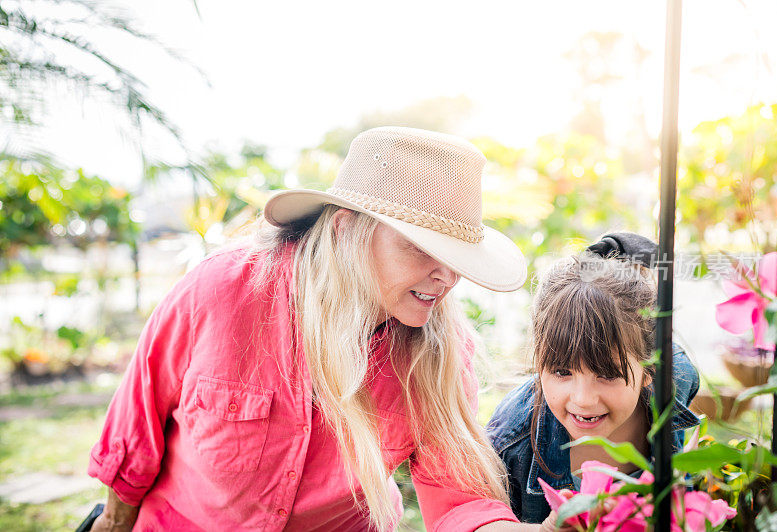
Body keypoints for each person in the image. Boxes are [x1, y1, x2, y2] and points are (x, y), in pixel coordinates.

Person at [87, 126, 540, 531]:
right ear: (346, 230)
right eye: (421, 248)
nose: (448, 277)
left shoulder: (437, 352)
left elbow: (459, 503)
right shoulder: (219, 293)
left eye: (457, 258)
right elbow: (132, 446)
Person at [486, 234, 700, 526]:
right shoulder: (510, 441)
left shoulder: (675, 381)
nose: (583, 399)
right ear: (539, 362)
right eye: (562, 372)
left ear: (652, 369)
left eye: (608, 374)